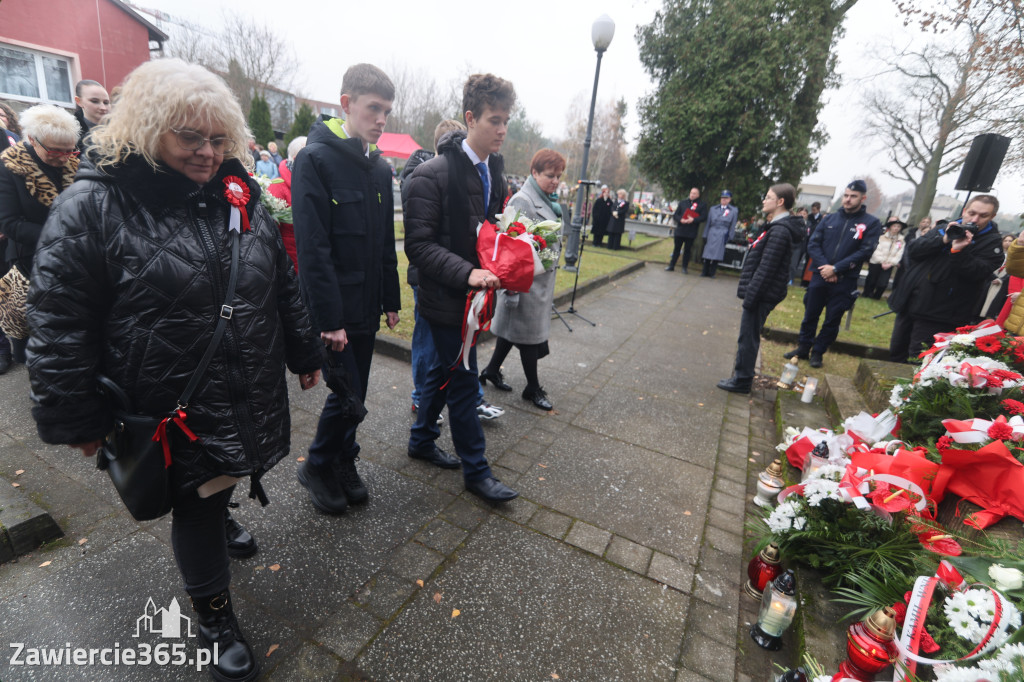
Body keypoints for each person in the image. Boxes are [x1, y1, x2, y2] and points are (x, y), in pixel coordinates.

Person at [26, 59, 322, 682]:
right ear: (147, 127)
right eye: (190, 137)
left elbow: (280, 281)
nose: (209, 153)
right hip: (167, 402)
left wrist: (304, 350)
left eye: (219, 139)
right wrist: (74, 414)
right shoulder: (93, 205)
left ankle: (224, 511)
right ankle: (215, 616)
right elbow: (58, 322)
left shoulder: (240, 191)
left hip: (243, 381)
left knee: (222, 480)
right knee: (196, 504)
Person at [292, 63, 403, 515]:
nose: (381, 120)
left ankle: (342, 459)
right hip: (337, 310)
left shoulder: (377, 169)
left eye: (387, 112)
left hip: (367, 305)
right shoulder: (315, 160)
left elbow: (383, 242)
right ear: (346, 104)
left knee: (356, 393)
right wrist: (329, 320)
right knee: (347, 394)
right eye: (373, 109)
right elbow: (313, 249)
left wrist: (391, 299)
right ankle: (318, 463)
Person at [404, 73, 519, 503]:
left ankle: (420, 439)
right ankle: (477, 470)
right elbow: (417, 245)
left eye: (506, 120)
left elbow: (487, 230)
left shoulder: (494, 169)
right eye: (494, 120)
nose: (502, 129)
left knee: (443, 369)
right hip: (444, 296)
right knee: (466, 380)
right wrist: (466, 273)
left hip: (474, 297)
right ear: (470, 118)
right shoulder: (431, 175)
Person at [401, 120, 506, 423]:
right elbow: (421, 239)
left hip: (455, 275)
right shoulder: (426, 175)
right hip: (429, 277)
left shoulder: (474, 174)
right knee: (427, 342)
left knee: (451, 354)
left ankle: (428, 426)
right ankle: (422, 400)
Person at [480, 148, 565, 411]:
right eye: (550, 175)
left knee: (514, 331)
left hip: (538, 284)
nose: (555, 181)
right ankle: (532, 388)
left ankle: (491, 370)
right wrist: (513, 292)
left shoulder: (549, 201)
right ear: (534, 172)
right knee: (529, 336)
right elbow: (510, 247)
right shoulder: (523, 200)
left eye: (559, 176)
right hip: (525, 285)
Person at [0, 104, 81, 370]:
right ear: (32, 140)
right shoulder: (9, 167)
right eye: (56, 151)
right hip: (30, 261)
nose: (64, 157)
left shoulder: (73, 162)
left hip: (72, 259)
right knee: (35, 332)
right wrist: (61, 236)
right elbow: (9, 223)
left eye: (70, 150)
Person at [888, 195, 1003, 362]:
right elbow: (913, 250)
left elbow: (977, 272)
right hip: (910, 301)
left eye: (983, 216)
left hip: (940, 313)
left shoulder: (992, 244)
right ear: (964, 210)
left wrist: (959, 252)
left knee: (920, 358)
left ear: (992, 217)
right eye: (972, 213)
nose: (975, 219)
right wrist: (943, 239)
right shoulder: (946, 228)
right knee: (897, 351)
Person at [783, 180, 881, 368]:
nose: (848, 200)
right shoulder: (829, 219)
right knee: (810, 314)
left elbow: (864, 251)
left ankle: (818, 352)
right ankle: (803, 348)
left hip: (845, 280)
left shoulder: (871, 223)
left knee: (832, 319)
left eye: (853, 196)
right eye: (846, 196)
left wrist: (836, 269)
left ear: (863, 198)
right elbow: (813, 243)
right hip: (820, 276)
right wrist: (825, 268)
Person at [717, 183, 804, 394]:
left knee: (748, 337)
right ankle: (742, 377)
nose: (764, 200)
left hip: (761, 294)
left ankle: (742, 380)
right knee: (748, 335)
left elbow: (766, 269)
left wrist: (750, 297)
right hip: (760, 293)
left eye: (768, 197)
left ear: (780, 202)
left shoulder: (780, 231)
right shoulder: (775, 227)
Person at [267, 135, 305, 271]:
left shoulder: (312, 183)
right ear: (296, 159)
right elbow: (270, 233)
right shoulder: (278, 186)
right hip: (290, 268)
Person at [862, 218, 906, 299]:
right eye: (894, 226)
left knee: (883, 283)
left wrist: (891, 263)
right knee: (872, 279)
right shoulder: (881, 237)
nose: (896, 228)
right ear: (890, 227)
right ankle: (867, 294)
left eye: (898, 226)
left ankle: (877, 296)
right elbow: (877, 249)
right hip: (877, 261)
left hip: (889, 264)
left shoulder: (901, 240)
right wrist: (882, 261)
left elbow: (899, 253)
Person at [666, 187, 707, 272]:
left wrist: (694, 220)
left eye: (694, 193)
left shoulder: (702, 205)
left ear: (698, 195)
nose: (692, 195)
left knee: (687, 250)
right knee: (676, 249)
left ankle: (684, 267)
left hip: (691, 231)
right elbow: (676, 215)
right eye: (691, 193)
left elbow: (703, 217)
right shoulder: (683, 203)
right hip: (680, 229)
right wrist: (680, 219)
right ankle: (672, 265)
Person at [701, 190, 738, 278]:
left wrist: (730, 236)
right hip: (712, 231)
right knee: (707, 253)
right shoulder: (713, 209)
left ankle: (712, 273)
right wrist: (705, 234)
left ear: (729, 200)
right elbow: (708, 223)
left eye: (726, 198)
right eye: (722, 198)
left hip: (722, 232)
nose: (724, 200)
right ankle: (704, 271)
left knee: (717, 254)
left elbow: (732, 225)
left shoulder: (733, 211)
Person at [892, 216, 932, 293]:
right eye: (924, 222)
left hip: (916, 262)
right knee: (900, 278)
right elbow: (904, 246)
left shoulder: (930, 235)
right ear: (920, 223)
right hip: (905, 258)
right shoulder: (912, 232)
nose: (925, 224)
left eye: (927, 222)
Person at [72, 79, 110, 151]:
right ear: (78, 101)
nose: (103, 107)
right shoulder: (68, 132)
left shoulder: (121, 131)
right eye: (95, 101)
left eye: (106, 102)